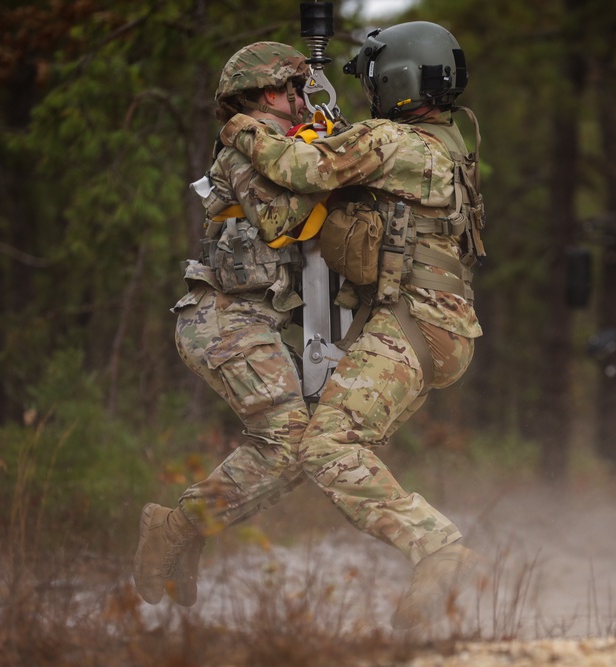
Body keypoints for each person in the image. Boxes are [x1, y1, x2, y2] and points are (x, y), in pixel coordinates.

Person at [217, 20, 486, 629]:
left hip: (416, 323)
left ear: (395, 79)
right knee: (332, 438)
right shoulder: (444, 142)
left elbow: (298, 168)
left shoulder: (393, 142)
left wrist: (241, 127)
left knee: (326, 444)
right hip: (436, 326)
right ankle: (436, 556)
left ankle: (438, 550)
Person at [133, 41, 324, 608]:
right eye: (298, 91)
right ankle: (174, 528)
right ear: (271, 92)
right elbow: (281, 220)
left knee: (313, 443)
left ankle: (185, 530)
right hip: (221, 317)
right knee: (289, 439)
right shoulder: (247, 151)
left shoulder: (284, 148)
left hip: (250, 322)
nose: (305, 102)